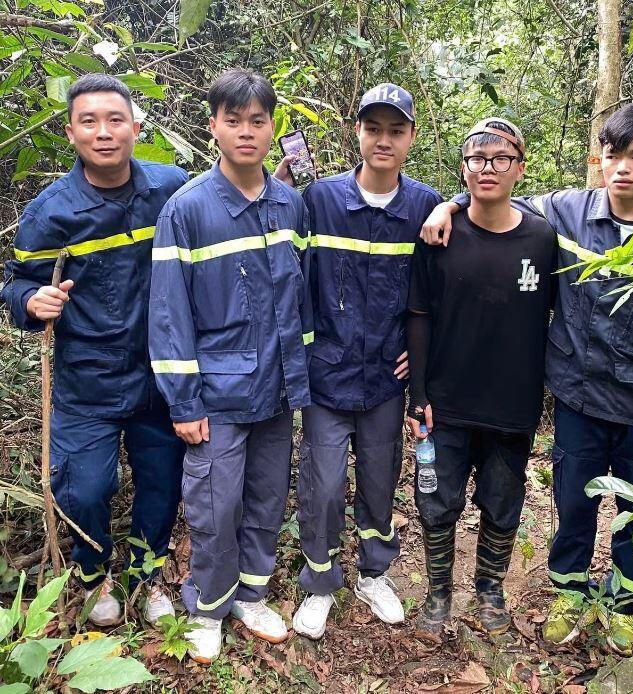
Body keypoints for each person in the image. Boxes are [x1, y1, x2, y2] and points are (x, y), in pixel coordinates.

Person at [420, 104, 633, 654]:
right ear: (598, 159)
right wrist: (450, 202)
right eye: (613, 155)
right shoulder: (568, 211)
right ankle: (569, 594)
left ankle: (626, 603)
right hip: (578, 396)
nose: (622, 167)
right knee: (575, 503)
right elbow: (496, 194)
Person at [1, 75, 188, 627]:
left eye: (114, 120)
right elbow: (16, 280)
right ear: (71, 133)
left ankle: (148, 572)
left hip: (160, 375)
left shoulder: (170, 188)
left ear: (135, 127)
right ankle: (92, 572)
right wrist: (31, 299)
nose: (103, 133)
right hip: (88, 380)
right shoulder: (51, 212)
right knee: (83, 487)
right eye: (89, 122)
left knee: (163, 482)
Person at [148, 68, 313, 664]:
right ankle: (208, 607)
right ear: (213, 126)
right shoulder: (187, 210)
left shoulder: (289, 204)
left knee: (267, 497)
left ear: (272, 128)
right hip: (216, 395)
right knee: (215, 507)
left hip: (277, 388)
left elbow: (301, 297)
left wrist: (300, 376)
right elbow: (169, 314)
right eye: (234, 120)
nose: (246, 132)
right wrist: (184, 401)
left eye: (258, 121)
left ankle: (252, 594)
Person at [291, 84, 443, 640]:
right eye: (373, 128)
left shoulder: (425, 206)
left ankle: (374, 574)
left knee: (379, 483)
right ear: (356, 132)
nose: (384, 140)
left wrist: (421, 358)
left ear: (411, 137)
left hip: (385, 380)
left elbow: (441, 288)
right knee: (324, 485)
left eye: (396, 130)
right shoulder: (320, 199)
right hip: (326, 375)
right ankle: (319, 582)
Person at [406, 118, 556, 636]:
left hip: (512, 402)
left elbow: (571, 308)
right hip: (445, 401)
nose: (487, 168)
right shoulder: (439, 234)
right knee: (436, 500)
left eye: (500, 159)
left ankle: (490, 589)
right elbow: (419, 314)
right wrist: (417, 393)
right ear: (463, 167)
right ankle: (438, 592)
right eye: (477, 158)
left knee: (502, 499)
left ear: (520, 168)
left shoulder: (543, 238)